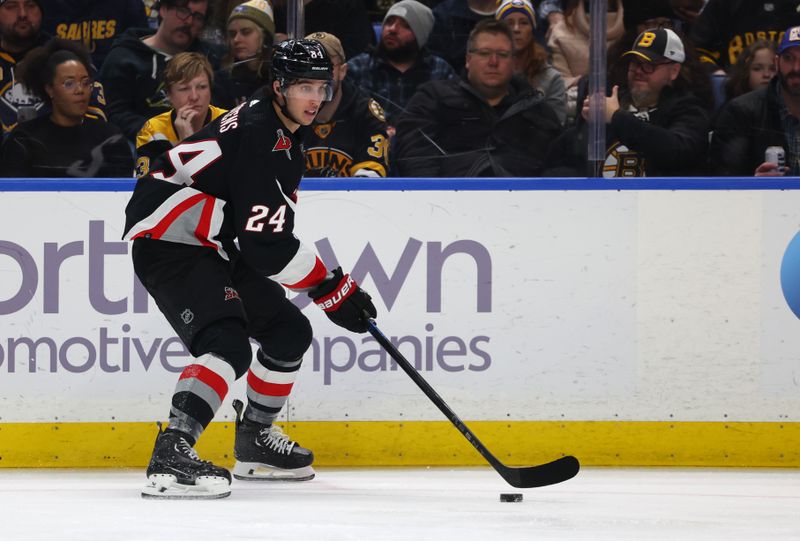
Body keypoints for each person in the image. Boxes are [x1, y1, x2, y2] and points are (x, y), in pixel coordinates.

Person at [123, 39, 377, 499]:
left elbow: (260, 237)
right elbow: (267, 248)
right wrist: (332, 288)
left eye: (322, 86)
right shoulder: (266, 138)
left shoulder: (272, 122)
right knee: (228, 345)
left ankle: (255, 439)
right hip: (170, 242)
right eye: (304, 86)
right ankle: (172, 450)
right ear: (279, 86)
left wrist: (329, 289)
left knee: (287, 332)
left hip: (211, 241)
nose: (315, 98)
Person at [393, 19, 562, 177]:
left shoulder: (537, 111)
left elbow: (556, 167)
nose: (493, 62)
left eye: (502, 54)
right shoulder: (432, 98)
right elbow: (413, 153)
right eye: (485, 53)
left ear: (513, 63)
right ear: (468, 59)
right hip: (447, 200)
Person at [545, 28, 710, 177]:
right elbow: (566, 161)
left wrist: (616, 118)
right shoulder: (613, 102)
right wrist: (585, 128)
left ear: (674, 71)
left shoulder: (689, 109)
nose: (638, 71)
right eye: (635, 63)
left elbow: (678, 151)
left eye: (649, 65)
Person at [0, 38, 133, 177]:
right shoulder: (24, 138)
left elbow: (123, 193)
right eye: (69, 83)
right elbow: (11, 194)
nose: (80, 90)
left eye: (86, 82)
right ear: (49, 89)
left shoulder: (111, 138)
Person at [98, 0, 223, 142]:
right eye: (182, 11)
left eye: (198, 17)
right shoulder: (124, 57)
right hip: (142, 142)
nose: (189, 21)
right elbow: (114, 113)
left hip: (202, 139)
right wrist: (161, 133)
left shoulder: (210, 58)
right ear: (163, 9)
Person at [0, 0, 105, 135]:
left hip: (62, 149)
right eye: (11, 6)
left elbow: (95, 120)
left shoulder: (70, 58)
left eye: (30, 5)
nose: (22, 14)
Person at [346, 0, 456, 130]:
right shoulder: (357, 67)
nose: (392, 29)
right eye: (389, 22)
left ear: (421, 36)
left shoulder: (440, 70)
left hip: (422, 145)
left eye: (405, 26)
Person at [709, 25, 800, 177]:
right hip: (763, 200)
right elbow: (722, 180)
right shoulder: (740, 112)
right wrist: (754, 184)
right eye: (789, 58)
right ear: (777, 62)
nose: (796, 68)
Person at [303, 31, 389, 177]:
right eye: (309, 65)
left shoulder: (365, 112)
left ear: (342, 71)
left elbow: (370, 180)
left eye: (326, 65)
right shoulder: (281, 109)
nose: (317, 74)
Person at [135, 52, 226, 177]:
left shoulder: (228, 122)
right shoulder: (154, 130)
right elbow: (148, 187)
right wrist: (184, 148)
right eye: (184, 89)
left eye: (202, 87)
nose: (194, 96)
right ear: (169, 95)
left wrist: (192, 144)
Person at [495, 0, 566, 125]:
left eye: (524, 23)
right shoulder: (486, 72)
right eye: (509, 23)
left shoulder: (552, 79)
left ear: (532, 30)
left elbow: (555, 129)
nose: (516, 29)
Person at [690, 0, 800, 71]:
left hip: (791, 84)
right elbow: (696, 50)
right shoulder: (724, 4)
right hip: (734, 89)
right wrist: (715, 72)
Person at [41, 0, 149, 70]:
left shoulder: (128, 4)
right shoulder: (46, 6)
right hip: (60, 88)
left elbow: (141, 53)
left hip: (115, 86)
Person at [212, 0, 274, 110]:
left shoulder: (278, 77)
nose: (236, 39)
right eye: (232, 34)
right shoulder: (221, 81)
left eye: (246, 32)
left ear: (265, 36)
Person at [270, 0, 375, 60]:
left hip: (333, 82)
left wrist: (302, 50)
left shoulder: (347, 6)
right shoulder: (275, 8)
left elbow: (359, 56)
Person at [723, 39, 777, 104]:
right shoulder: (734, 108)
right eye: (757, 69)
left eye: (773, 69)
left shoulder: (790, 107)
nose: (766, 75)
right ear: (745, 72)